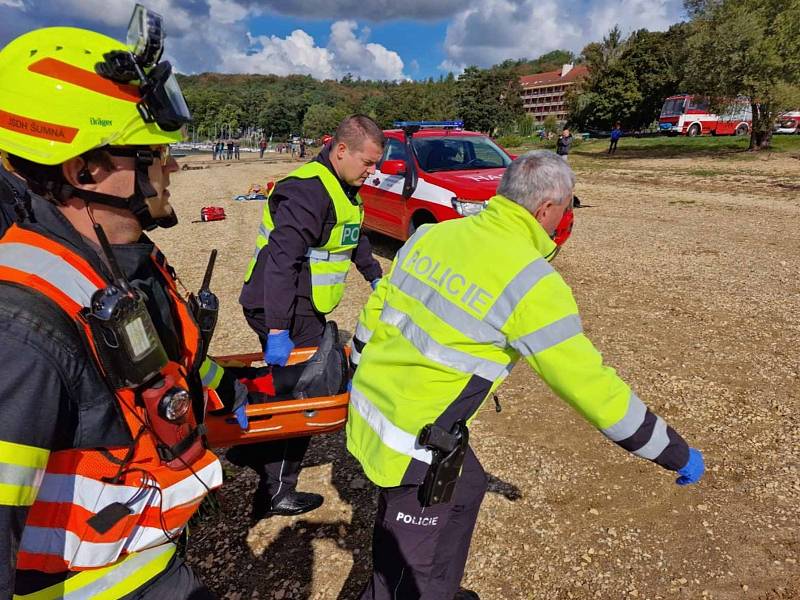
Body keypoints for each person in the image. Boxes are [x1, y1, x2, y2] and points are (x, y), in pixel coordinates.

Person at [0, 20, 347, 599]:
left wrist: (274, 386)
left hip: (148, 557)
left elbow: (171, 375)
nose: (173, 166)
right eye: (152, 152)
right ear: (83, 171)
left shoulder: (122, 263)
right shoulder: (24, 328)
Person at [347, 150, 705, 600]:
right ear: (545, 210)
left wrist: (357, 365)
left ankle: (439, 589)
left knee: (467, 484)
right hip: (411, 442)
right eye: (569, 205)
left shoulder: (432, 236)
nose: (568, 216)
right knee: (402, 571)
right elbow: (590, 385)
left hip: (372, 404)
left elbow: (377, 308)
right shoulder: (531, 283)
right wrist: (673, 451)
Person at [236, 114, 385, 520]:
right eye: (368, 163)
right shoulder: (306, 191)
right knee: (305, 391)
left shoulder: (344, 188)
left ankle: (250, 441)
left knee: (289, 381)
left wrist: (375, 276)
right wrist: (279, 330)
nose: (373, 173)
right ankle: (276, 490)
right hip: (278, 304)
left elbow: (353, 234)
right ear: (341, 150)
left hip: (301, 304)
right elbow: (283, 263)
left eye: (376, 165)